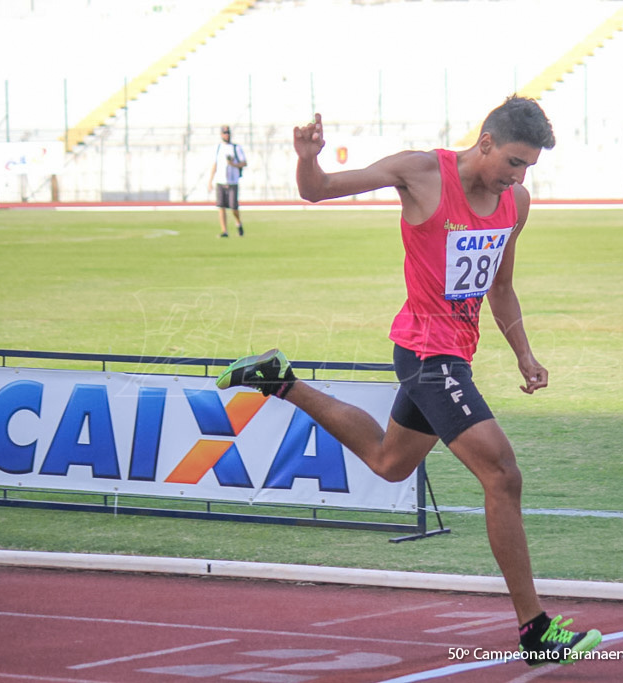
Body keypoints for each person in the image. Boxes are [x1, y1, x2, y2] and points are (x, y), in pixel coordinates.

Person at [216, 96, 601, 666]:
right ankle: (535, 630)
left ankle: (280, 381)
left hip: (455, 356)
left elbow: (499, 287)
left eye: (529, 168)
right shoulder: (421, 172)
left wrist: (524, 353)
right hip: (425, 354)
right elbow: (316, 190)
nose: (519, 177)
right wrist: (306, 158)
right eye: (515, 162)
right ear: (487, 142)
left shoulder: (514, 202)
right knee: (502, 473)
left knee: (389, 462)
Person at [208, 125, 247, 237]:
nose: (227, 135)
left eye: (228, 132)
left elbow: (244, 163)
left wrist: (233, 164)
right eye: (225, 133)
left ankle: (238, 222)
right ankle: (224, 231)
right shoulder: (218, 148)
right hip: (221, 181)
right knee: (221, 207)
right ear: (221, 134)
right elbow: (215, 164)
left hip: (232, 181)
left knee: (234, 207)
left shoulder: (236, 148)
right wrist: (210, 181)